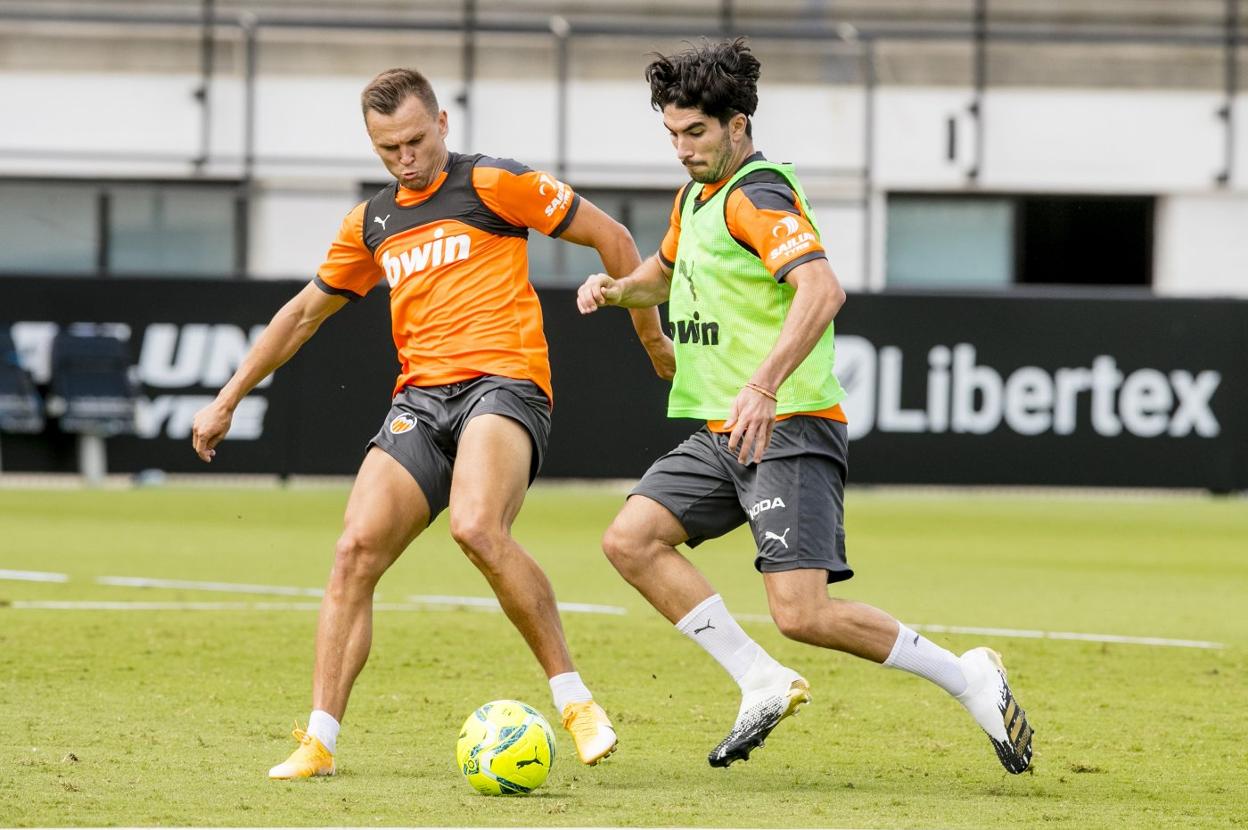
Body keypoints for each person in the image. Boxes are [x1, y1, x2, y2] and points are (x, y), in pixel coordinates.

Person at [192, 67, 674, 779]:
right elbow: (301, 314)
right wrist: (228, 395)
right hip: (421, 403)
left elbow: (614, 238)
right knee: (354, 549)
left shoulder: (495, 185)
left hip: (505, 387)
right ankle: (320, 742)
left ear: (443, 123)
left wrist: (651, 339)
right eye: (388, 148)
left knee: (476, 527)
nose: (405, 158)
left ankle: (576, 704)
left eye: (416, 140)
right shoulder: (371, 223)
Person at [576, 38, 1034, 774]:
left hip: (786, 423)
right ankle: (759, 680)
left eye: (695, 132)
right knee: (630, 540)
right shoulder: (696, 196)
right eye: (672, 134)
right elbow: (664, 270)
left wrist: (762, 384)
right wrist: (618, 290)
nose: (682, 149)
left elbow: (823, 290)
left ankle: (969, 675)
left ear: (738, 124)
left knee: (803, 615)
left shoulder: (759, 193)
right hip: (729, 429)